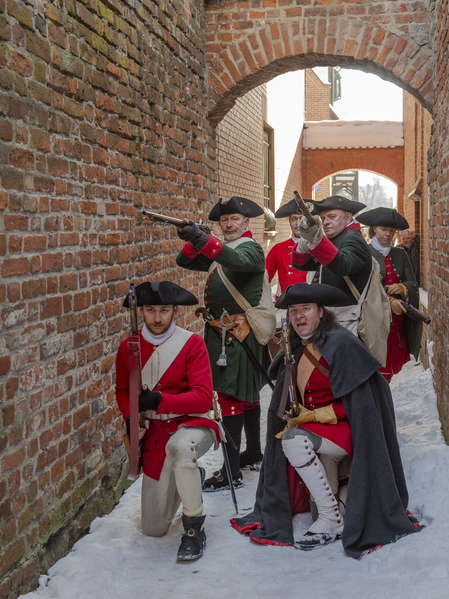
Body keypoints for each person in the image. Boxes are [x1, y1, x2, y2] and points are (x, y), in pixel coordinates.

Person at [231, 283, 421, 556]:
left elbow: (362, 405)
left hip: (346, 433)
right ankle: (337, 510)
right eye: (293, 310)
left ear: (320, 312)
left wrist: (313, 416)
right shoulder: (295, 347)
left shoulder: (343, 343)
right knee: (315, 506)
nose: (298, 316)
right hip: (318, 436)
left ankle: (332, 519)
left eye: (305, 309)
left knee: (293, 440)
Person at [113, 281, 220, 561]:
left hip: (192, 424)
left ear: (174, 310)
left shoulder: (191, 343)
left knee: (181, 449)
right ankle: (189, 476)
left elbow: (202, 399)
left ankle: (194, 528)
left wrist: (158, 400)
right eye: (150, 310)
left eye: (163, 310)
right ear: (142, 311)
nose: (157, 318)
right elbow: (123, 391)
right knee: (154, 528)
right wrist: (130, 418)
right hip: (157, 432)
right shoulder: (128, 347)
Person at [175, 196, 270, 490]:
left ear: (246, 223)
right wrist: (192, 238)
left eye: (234, 220)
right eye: (224, 221)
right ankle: (253, 452)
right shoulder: (223, 249)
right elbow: (184, 260)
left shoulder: (250, 248)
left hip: (240, 332)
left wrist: (206, 239)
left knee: (230, 397)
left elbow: (237, 262)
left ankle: (231, 472)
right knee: (246, 396)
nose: (229, 225)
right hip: (223, 333)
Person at [356, 208, 422, 382]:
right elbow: (362, 287)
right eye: (383, 229)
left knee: (395, 368)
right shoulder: (365, 253)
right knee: (377, 367)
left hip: (398, 320)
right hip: (375, 321)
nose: (387, 234)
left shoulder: (400, 254)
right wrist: (388, 297)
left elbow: (413, 283)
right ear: (374, 229)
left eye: (391, 231)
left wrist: (403, 287)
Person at [290, 195, 373, 330]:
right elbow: (302, 264)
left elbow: (343, 265)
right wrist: (303, 245)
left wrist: (317, 241)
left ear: (348, 217)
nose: (325, 222)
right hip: (332, 317)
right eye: (323, 218)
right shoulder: (338, 238)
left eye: (332, 217)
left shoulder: (353, 239)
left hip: (347, 319)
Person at [265, 198, 317, 296]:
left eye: (302, 218)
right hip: (285, 305)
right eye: (294, 219)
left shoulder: (320, 247)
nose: (298, 223)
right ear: (289, 221)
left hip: (312, 302)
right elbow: (263, 280)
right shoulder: (278, 248)